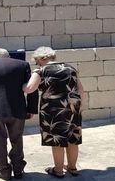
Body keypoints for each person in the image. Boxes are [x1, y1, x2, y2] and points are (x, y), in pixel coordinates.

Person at [0, 48, 39, 180]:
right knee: (17, 139)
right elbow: (32, 88)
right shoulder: (22, 65)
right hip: (18, 109)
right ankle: (18, 169)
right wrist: (31, 109)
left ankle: (3, 170)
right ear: (8, 56)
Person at [23, 46, 84, 178]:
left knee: (57, 140)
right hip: (73, 108)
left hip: (53, 111)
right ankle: (72, 168)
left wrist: (20, 85)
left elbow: (29, 89)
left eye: (37, 60)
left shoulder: (41, 70)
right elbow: (80, 90)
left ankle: (58, 170)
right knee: (73, 138)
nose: (36, 63)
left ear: (42, 58)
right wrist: (79, 107)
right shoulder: (70, 68)